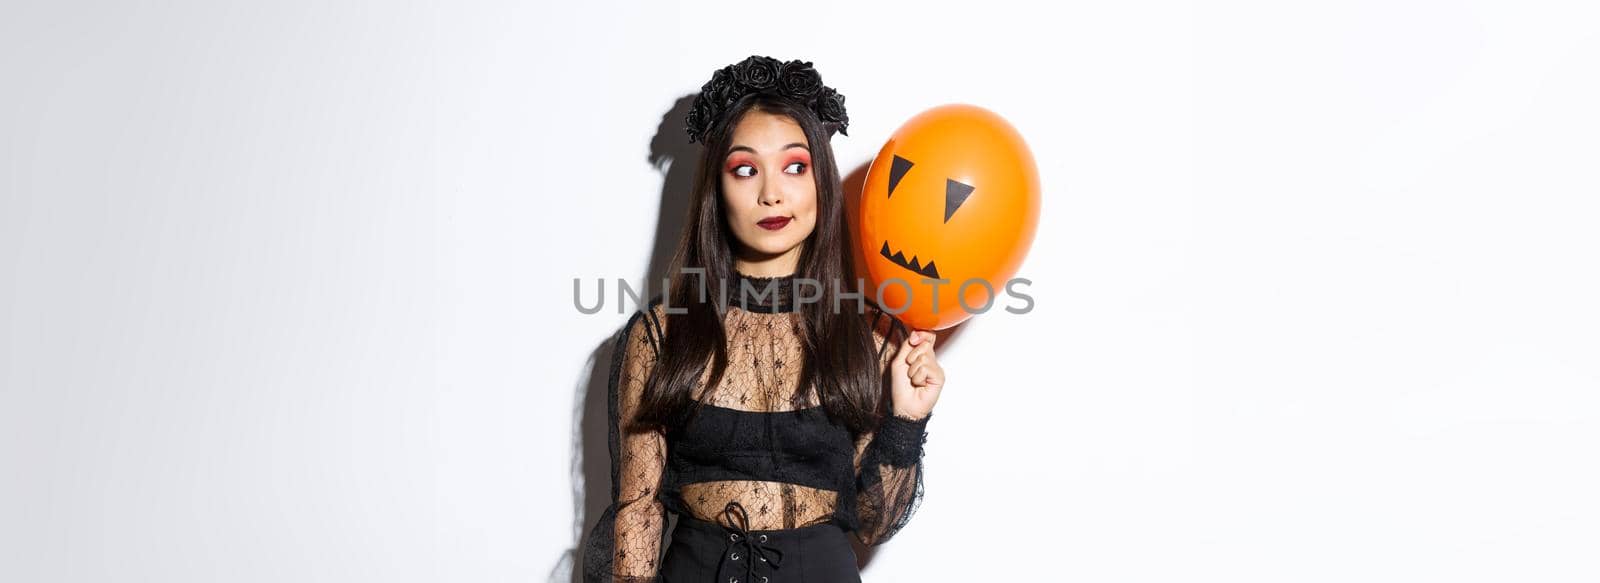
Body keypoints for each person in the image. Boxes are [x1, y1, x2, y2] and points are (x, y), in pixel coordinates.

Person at [582, 55, 946, 583]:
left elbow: (873, 524)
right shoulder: (663, 334)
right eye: (746, 169)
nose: (771, 193)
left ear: (820, 179)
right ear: (717, 189)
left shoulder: (870, 333)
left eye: (794, 166)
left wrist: (908, 422)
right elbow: (638, 512)